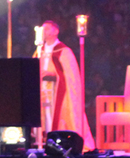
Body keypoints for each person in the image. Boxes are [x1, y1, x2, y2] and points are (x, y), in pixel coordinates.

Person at [33, 21, 94, 151]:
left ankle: (57, 141)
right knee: (44, 116)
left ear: (55, 31)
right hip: (42, 89)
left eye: (47, 29)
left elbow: (70, 76)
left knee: (55, 115)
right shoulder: (39, 50)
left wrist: (52, 74)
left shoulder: (64, 51)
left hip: (57, 90)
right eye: (42, 29)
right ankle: (42, 141)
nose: (44, 31)